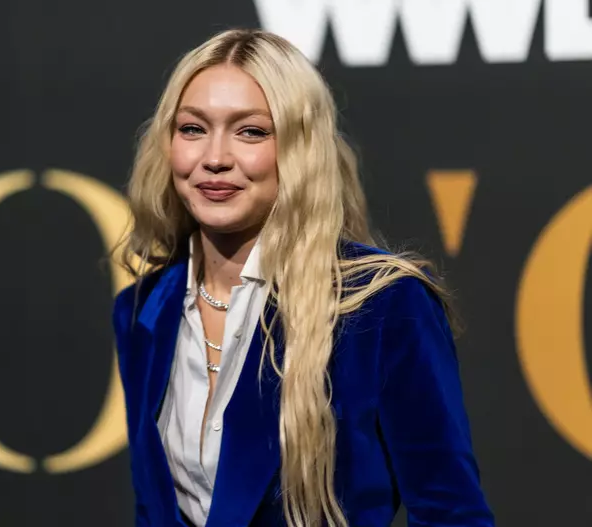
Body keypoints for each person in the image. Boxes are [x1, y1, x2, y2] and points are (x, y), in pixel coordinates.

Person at [111, 28, 495, 527]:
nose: (215, 157)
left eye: (250, 131)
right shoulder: (143, 310)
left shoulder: (381, 304)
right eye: (192, 129)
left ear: (299, 148)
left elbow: (450, 512)